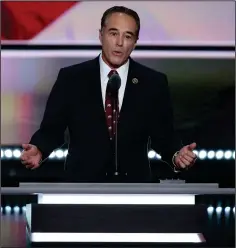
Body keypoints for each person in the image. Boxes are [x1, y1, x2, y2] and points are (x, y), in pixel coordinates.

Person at [20, 6, 197, 182]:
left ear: (135, 42)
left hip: (134, 190)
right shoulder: (72, 79)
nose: (120, 42)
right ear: (101, 35)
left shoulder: (153, 83)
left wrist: (176, 155)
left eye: (128, 36)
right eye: (113, 33)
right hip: (81, 188)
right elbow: (52, 130)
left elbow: (164, 136)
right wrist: (40, 149)